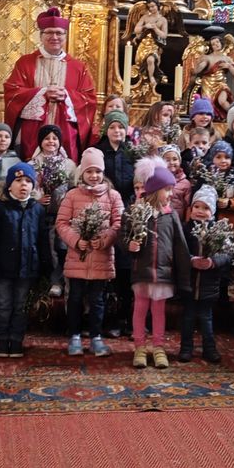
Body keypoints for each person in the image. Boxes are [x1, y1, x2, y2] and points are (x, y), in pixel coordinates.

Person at [55, 147, 125, 357]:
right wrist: (77, 241)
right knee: (75, 298)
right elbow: (61, 223)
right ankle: (74, 336)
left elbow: (119, 223)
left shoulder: (113, 196)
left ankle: (96, 337)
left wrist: (104, 240)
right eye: (89, 171)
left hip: (101, 257)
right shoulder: (72, 195)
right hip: (78, 256)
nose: (94, 176)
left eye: (97, 171)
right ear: (82, 173)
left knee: (97, 299)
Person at [3, 7, 97, 161]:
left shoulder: (78, 67)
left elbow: (89, 99)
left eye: (59, 33)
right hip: (33, 130)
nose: (54, 37)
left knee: (65, 169)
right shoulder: (25, 62)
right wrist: (41, 93)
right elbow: (12, 92)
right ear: (41, 36)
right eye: (49, 32)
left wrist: (67, 96)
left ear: (65, 36)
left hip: (65, 130)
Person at [125, 165, 190, 369]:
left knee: (159, 310)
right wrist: (129, 244)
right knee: (140, 308)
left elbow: (180, 247)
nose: (171, 194)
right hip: (142, 272)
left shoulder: (171, 216)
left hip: (163, 273)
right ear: (154, 190)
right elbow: (123, 235)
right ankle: (140, 347)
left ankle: (158, 347)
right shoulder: (136, 212)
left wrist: (184, 278)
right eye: (167, 190)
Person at [0, 163, 49, 358]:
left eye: (28, 181)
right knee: (3, 305)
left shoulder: (37, 209)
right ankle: (3, 340)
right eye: (19, 181)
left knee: (21, 306)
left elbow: (42, 239)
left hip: (27, 268)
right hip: (3, 268)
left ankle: (17, 340)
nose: (23, 185)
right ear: (9, 185)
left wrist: (45, 265)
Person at [178, 186, 231, 363]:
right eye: (197, 206)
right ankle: (186, 348)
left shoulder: (219, 231)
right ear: (191, 208)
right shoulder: (185, 229)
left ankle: (209, 349)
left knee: (206, 318)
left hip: (209, 284)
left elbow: (227, 254)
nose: (200, 211)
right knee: (188, 318)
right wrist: (191, 260)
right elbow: (178, 252)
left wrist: (213, 262)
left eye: (206, 207)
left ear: (213, 211)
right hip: (188, 284)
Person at [95, 110, 135, 336]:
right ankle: (105, 319)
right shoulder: (98, 151)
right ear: (106, 129)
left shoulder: (133, 151)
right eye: (112, 127)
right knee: (105, 267)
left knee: (125, 267)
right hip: (104, 209)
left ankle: (125, 318)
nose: (117, 131)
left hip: (127, 213)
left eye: (121, 127)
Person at [29, 124, 72, 297]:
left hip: (60, 215)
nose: (51, 141)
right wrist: (37, 198)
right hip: (38, 214)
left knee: (58, 250)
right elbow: (26, 187)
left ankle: (57, 281)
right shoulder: (32, 164)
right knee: (42, 249)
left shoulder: (68, 164)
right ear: (40, 142)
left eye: (55, 138)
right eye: (47, 138)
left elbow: (73, 187)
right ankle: (40, 283)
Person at [159, 144, 191, 220]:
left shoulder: (185, 183)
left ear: (180, 161)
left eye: (175, 159)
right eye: (167, 160)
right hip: (162, 219)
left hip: (178, 220)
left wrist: (186, 222)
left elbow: (188, 206)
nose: (171, 162)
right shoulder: (158, 180)